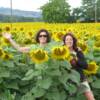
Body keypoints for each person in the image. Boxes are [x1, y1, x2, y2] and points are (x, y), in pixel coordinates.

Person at [63, 33, 95, 100]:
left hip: (80, 79)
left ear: (73, 41)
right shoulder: (61, 51)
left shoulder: (78, 51)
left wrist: (76, 59)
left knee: (90, 97)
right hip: (68, 80)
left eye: (71, 39)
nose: (69, 41)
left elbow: (85, 65)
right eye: (67, 39)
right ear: (64, 41)